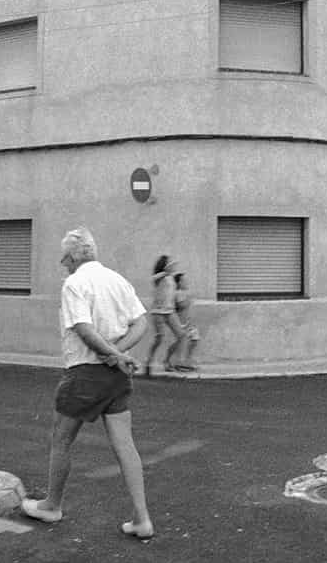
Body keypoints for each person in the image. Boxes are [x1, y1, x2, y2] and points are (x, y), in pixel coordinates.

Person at [21, 227, 154, 540]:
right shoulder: (117, 280)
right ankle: (142, 519)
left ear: (71, 257)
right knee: (125, 444)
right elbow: (142, 321)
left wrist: (111, 353)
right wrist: (120, 355)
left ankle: (52, 506)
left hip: (84, 373)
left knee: (61, 439)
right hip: (116, 378)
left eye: (63, 258)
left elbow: (82, 327)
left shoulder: (74, 283)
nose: (62, 263)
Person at [145, 254, 186, 376]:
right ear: (164, 266)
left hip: (170, 311)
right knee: (159, 338)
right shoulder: (159, 277)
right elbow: (153, 279)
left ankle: (167, 360)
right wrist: (165, 272)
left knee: (182, 335)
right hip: (158, 312)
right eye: (169, 263)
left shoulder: (171, 278)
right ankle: (148, 361)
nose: (172, 266)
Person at [172, 272, 200, 372]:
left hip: (189, 323)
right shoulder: (178, 293)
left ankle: (187, 361)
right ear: (179, 283)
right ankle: (179, 362)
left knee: (194, 339)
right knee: (181, 342)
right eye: (184, 281)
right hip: (182, 323)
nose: (186, 282)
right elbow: (181, 305)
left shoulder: (183, 293)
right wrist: (189, 298)